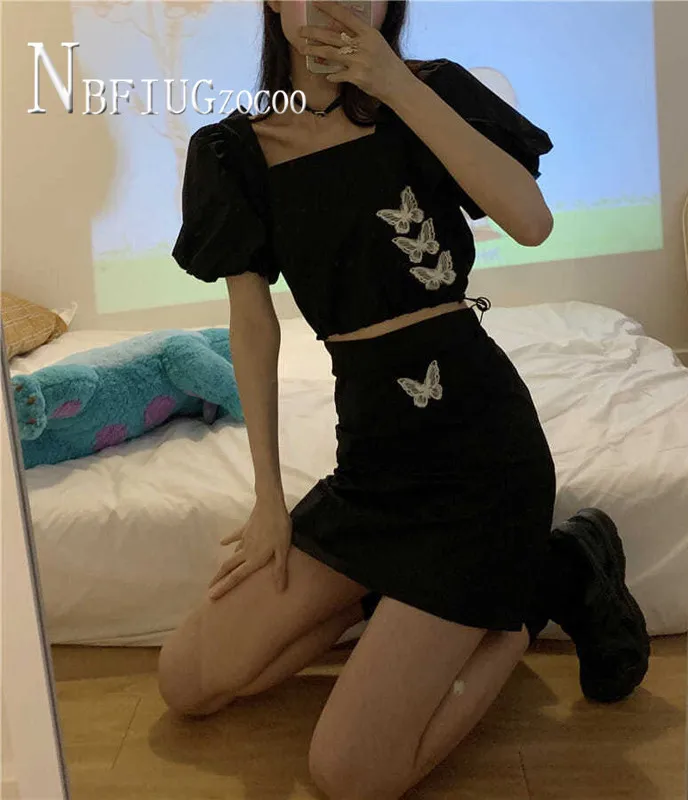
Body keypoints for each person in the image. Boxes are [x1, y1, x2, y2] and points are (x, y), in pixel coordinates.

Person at [159, 2, 650, 798]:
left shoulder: (429, 93)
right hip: (373, 467)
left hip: (480, 459)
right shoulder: (232, 151)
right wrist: (268, 500)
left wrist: (397, 85)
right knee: (188, 679)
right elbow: (252, 326)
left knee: (349, 772)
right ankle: (406, 601)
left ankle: (533, 595)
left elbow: (531, 221)